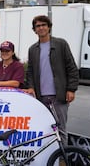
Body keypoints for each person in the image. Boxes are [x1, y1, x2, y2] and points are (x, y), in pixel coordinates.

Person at [25, 15, 79, 145]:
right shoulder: (33, 49)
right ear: (34, 30)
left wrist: (71, 89)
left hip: (59, 96)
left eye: (44, 25)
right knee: (44, 129)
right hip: (41, 97)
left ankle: (62, 159)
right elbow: (30, 71)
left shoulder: (61, 44)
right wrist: (31, 87)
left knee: (61, 130)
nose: (41, 28)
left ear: (49, 27)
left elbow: (71, 67)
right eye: (38, 26)